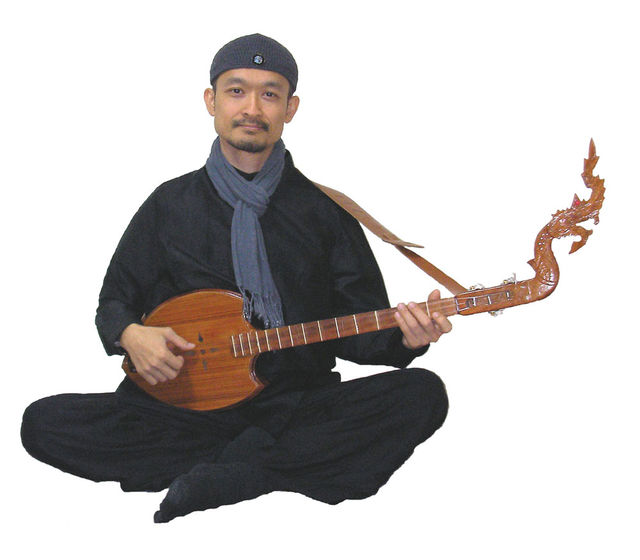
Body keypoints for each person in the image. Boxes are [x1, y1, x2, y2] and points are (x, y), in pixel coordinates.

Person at [21, 34, 452, 523]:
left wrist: (409, 337)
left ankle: (232, 472)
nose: (252, 107)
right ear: (211, 101)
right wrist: (131, 334)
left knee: (421, 394)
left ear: (290, 108)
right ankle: (263, 464)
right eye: (236, 91)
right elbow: (114, 302)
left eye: (269, 94)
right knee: (43, 423)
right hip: (183, 409)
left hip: (294, 404)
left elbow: (361, 330)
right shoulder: (169, 204)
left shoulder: (326, 212)